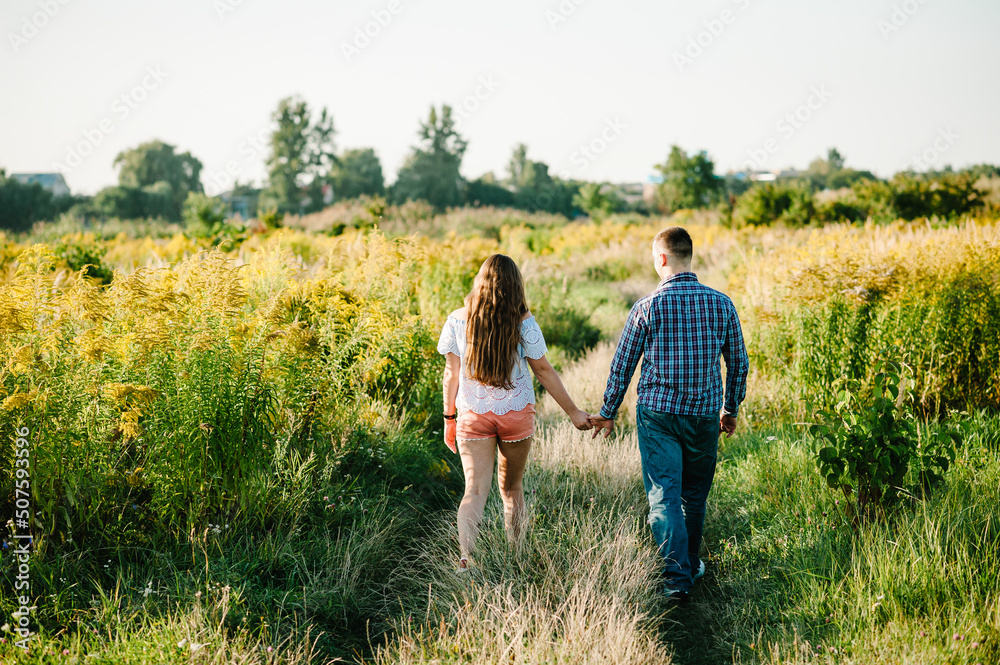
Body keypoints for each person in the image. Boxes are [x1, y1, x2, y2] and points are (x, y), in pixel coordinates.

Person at [589, 227, 749, 601]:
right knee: (693, 496)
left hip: (658, 415)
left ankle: (676, 579)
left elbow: (623, 365)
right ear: (688, 256)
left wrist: (608, 412)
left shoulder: (647, 307)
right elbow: (738, 363)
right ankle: (690, 566)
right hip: (703, 415)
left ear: (661, 258)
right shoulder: (722, 304)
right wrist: (731, 408)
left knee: (664, 495)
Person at [437, 254, 593, 573]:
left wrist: (448, 418)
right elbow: (543, 370)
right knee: (511, 489)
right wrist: (574, 412)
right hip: (516, 413)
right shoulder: (523, 321)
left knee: (475, 490)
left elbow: (451, 376)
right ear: (515, 285)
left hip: (473, 413)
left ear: (479, 282)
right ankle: (515, 554)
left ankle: (467, 557)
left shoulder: (456, 319)